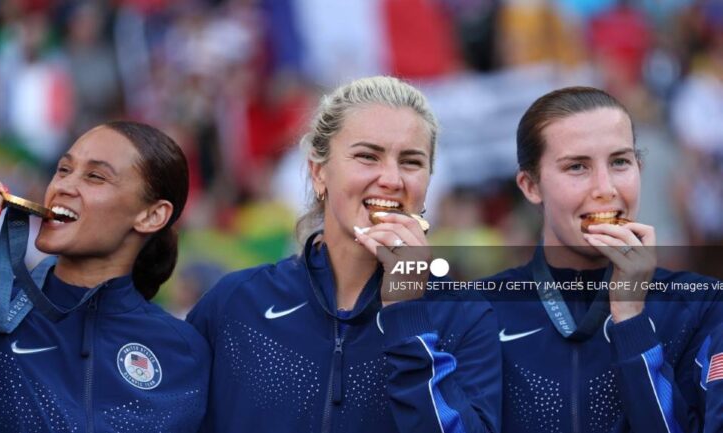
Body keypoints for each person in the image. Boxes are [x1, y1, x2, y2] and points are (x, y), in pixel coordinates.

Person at [187, 76, 502, 433]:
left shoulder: (464, 317)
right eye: (367, 156)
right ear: (319, 173)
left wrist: (408, 318)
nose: (392, 179)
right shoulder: (236, 304)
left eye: (412, 162)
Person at [485, 86, 723, 433]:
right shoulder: (477, 309)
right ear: (530, 185)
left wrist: (632, 322)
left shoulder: (703, 305)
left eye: (620, 162)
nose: (605, 187)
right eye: (577, 166)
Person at [0, 121, 209, 433]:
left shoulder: (184, 352)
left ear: (151, 216)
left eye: (95, 176)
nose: (62, 186)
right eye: (63, 170)